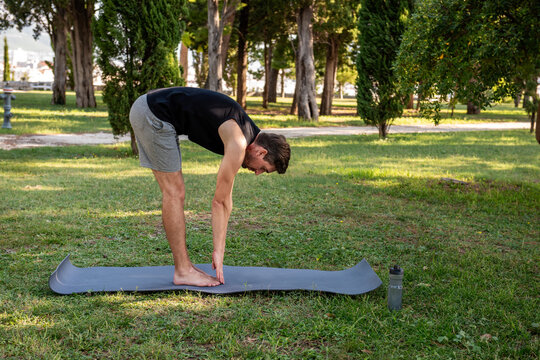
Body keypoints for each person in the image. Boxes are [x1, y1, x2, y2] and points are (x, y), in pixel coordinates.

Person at [129, 87, 290, 287]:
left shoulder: (245, 133)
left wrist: (219, 249)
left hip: (154, 111)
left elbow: (226, 200)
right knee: (174, 192)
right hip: (153, 114)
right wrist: (218, 251)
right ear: (261, 152)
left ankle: (185, 267)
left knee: (175, 191)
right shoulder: (239, 143)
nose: (257, 173)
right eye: (264, 169)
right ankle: (182, 270)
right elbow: (219, 202)